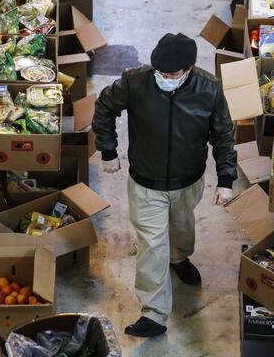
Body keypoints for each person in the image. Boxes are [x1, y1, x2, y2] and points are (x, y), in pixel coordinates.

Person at [92, 33, 237, 338]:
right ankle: (154, 314)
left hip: (189, 179)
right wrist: (107, 149)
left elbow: (223, 134)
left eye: (172, 75)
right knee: (152, 246)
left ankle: (180, 257)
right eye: (161, 73)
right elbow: (105, 106)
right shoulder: (136, 81)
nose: (165, 79)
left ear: (190, 68)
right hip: (146, 181)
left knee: (181, 228)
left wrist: (226, 179)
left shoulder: (209, 89)